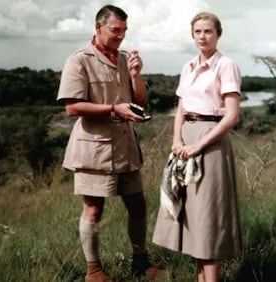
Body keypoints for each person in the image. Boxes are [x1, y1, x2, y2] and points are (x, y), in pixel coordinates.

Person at [56, 4, 159, 282]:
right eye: (115, 30)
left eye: (124, 31)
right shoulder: (79, 60)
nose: (120, 36)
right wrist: (114, 109)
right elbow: (72, 107)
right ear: (98, 27)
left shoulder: (125, 59)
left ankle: (141, 262)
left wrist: (136, 75)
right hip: (94, 148)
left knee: (138, 204)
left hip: (125, 147)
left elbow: (139, 101)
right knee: (93, 208)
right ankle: (94, 271)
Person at [152, 11, 242, 282]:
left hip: (210, 141)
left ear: (218, 34)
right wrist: (177, 140)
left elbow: (232, 116)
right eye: (198, 32)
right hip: (186, 140)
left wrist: (198, 145)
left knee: (207, 222)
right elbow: (181, 107)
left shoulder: (225, 65)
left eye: (208, 31)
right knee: (191, 218)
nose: (203, 37)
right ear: (192, 35)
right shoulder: (188, 66)